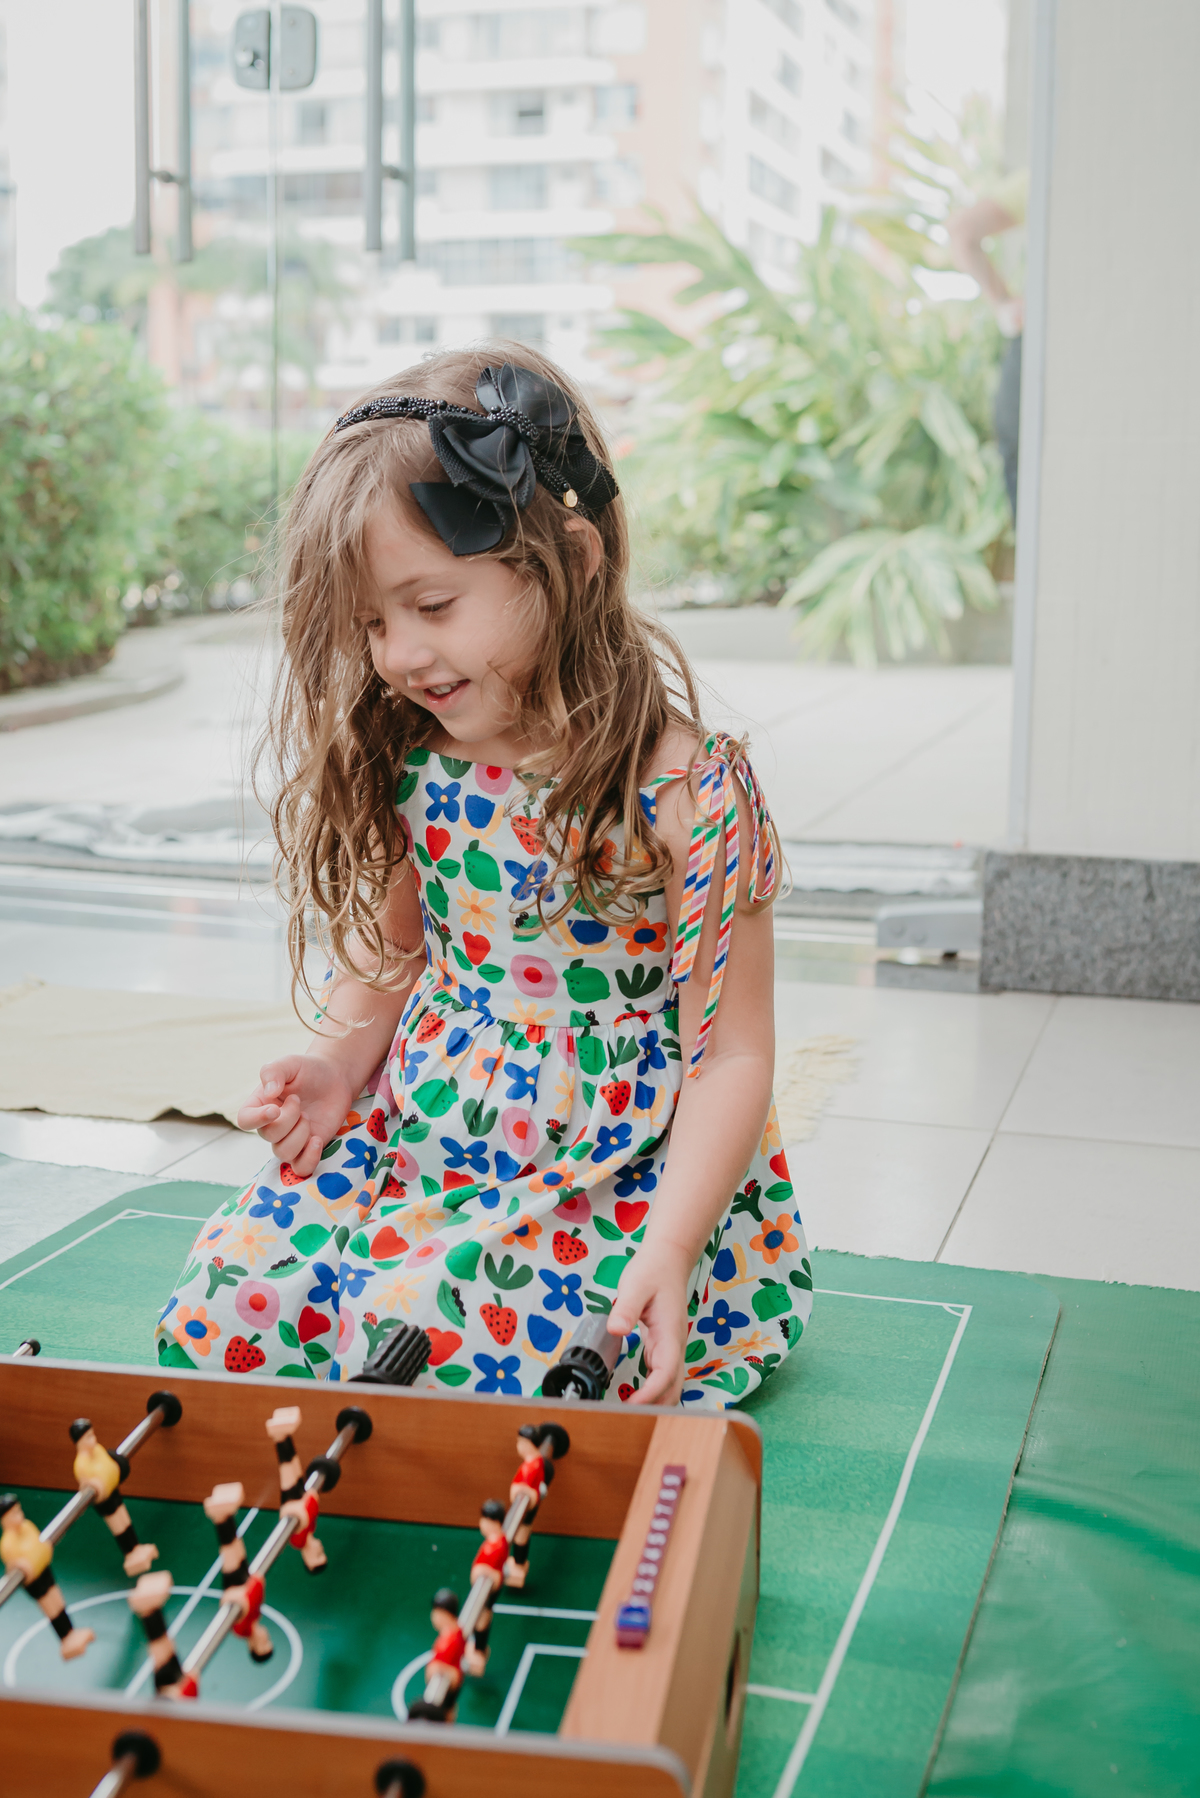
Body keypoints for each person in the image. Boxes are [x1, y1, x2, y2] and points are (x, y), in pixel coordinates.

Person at [154, 346, 811, 1409]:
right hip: (429, 1136)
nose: (399, 654)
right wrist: (338, 1064)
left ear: (572, 559)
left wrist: (674, 1244)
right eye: (373, 623)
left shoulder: (685, 791)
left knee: (476, 1347)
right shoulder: (415, 758)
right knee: (236, 1297)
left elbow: (731, 1052)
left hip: (613, 1171)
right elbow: (396, 954)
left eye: (431, 603)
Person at [947, 168, 1028, 517]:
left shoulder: (1044, 177)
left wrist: (1004, 305)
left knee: (1019, 452)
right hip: (1040, 337)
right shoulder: (1043, 178)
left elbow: (962, 231)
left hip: (1038, 339)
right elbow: (961, 231)